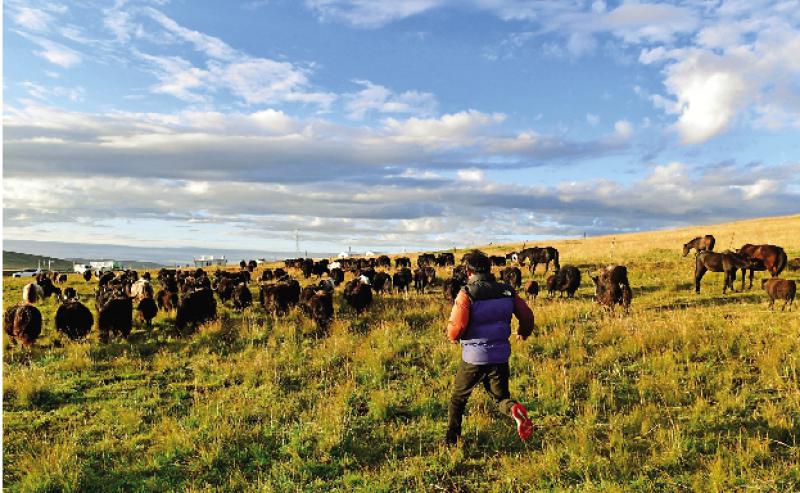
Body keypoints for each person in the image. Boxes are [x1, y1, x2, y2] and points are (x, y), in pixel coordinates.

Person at [445, 250, 535, 445]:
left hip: (473, 358)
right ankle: (513, 409)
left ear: (469, 272)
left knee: (458, 399)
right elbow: (527, 316)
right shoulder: (507, 291)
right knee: (500, 397)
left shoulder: (467, 293)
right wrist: (523, 332)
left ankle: (452, 440)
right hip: (500, 356)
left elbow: (458, 326)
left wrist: (452, 336)